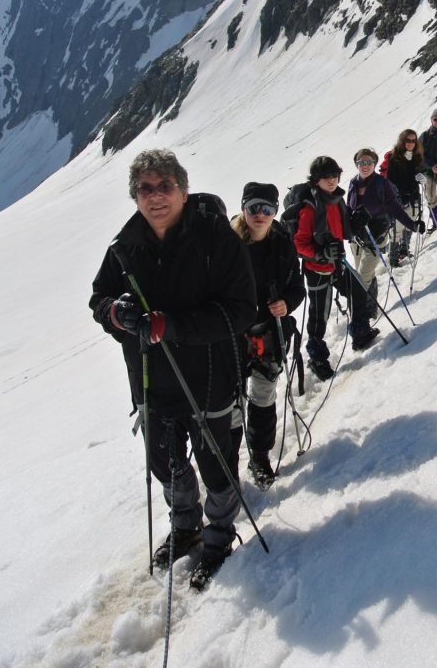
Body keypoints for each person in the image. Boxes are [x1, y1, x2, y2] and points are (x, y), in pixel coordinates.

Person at [89, 149, 256, 590]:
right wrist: (116, 314)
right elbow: (99, 299)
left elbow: (240, 310)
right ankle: (186, 526)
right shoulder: (124, 249)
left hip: (209, 379)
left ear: (183, 189)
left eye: (165, 186)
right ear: (135, 196)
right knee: (166, 464)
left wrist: (174, 326)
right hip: (151, 384)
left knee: (216, 464)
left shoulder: (215, 238)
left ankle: (218, 535)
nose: (156, 196)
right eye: (146, 188)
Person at [230, 182, 305, 489]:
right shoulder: (227, 245)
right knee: (232, 403)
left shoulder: (282, 244)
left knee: (262, 396)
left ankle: (259, 455)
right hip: (232, 336)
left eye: (267, 209)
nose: (260, 215)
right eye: (253, 208)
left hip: (270, 334)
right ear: (243, 208)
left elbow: (297, 286)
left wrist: (287, 304)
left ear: (275, 212)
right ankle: (228, 463)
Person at [292, 156, 370, 377]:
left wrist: (357, 223)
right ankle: (317, 359)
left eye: (334, 175)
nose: (331, 180)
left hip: (337, 263)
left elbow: (344, 232)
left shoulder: (337, 200)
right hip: (317, 269)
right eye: (326, 176)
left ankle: (360, 331)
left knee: (358, 291)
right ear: (316, 179)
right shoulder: (310, 208)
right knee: (319, 316)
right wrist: (320, 253)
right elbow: (299, 243)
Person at [347, 148, 421, 320]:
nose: (365, 166)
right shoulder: (353, 183)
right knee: (365, 273)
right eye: (361, 162)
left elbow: (396, 209)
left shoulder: (382, 184)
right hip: (357, 239)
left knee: (361, 278)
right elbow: (348, 209)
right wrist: (346, 231)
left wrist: (412, 224)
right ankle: (371, 309)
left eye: (368, 162)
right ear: (356, 164)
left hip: (376, 237)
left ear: (374, 163)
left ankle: (360, 318)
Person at [379, 129, 426, 266]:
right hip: (400, 199)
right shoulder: (395, 158)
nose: (411, 143)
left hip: (414, 197)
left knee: (411, 222)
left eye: (413, 141)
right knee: (397, 228)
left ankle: (405, 249)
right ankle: (393, 257)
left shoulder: (417, 157)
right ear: (403, 141)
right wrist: (398, 196)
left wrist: (423, 179)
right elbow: (391, 180)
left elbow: (419, 173)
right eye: (408, 140)